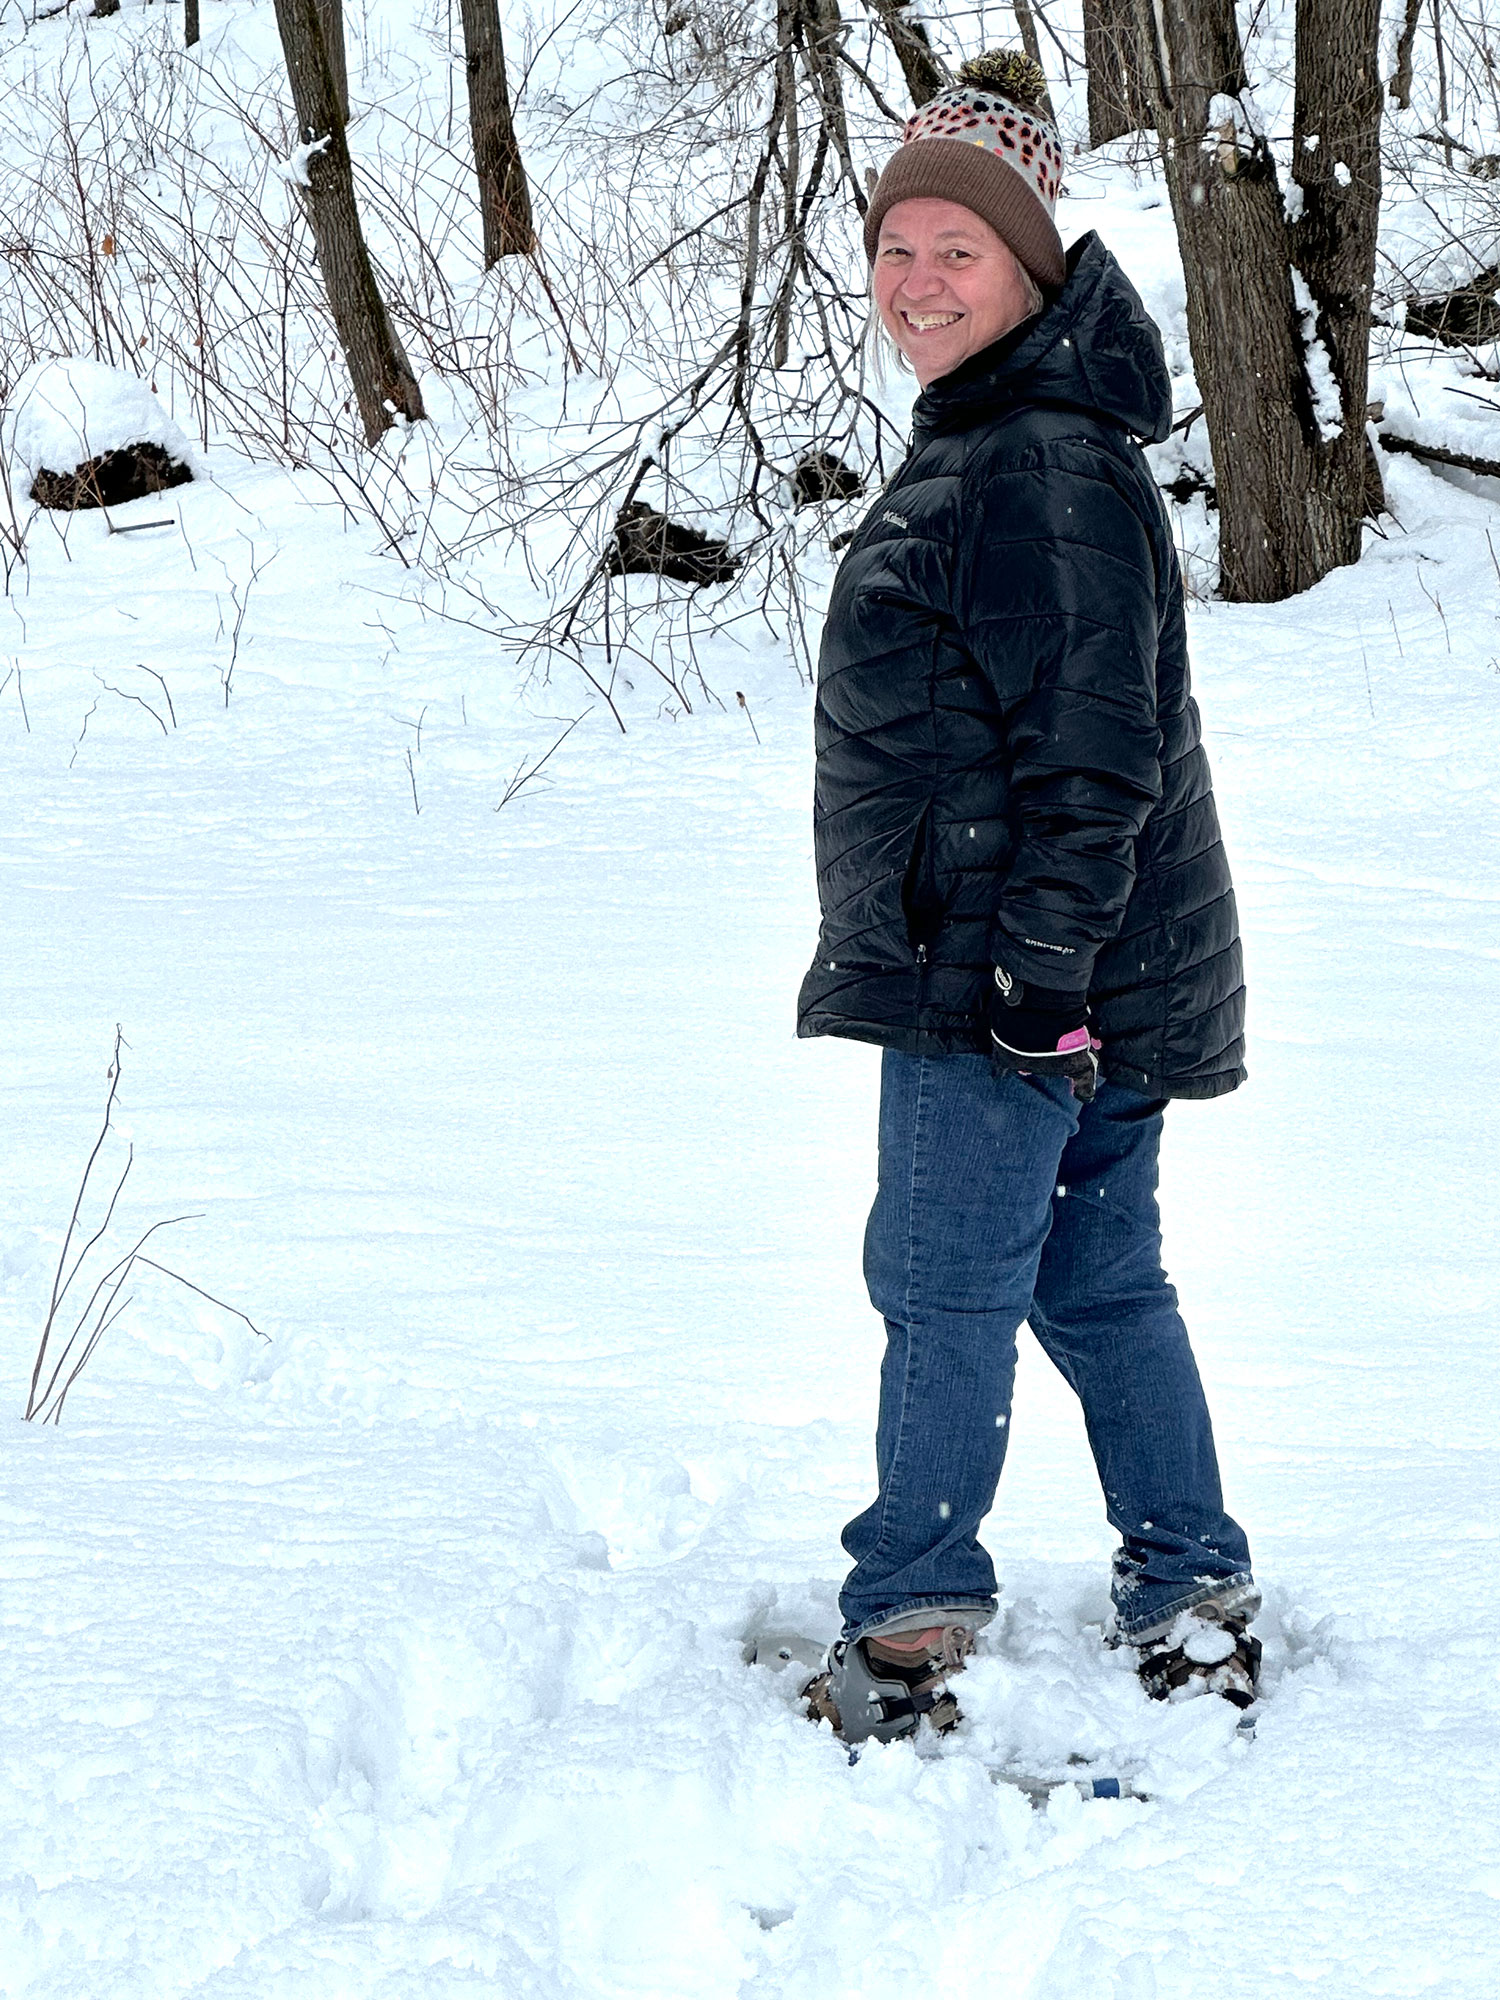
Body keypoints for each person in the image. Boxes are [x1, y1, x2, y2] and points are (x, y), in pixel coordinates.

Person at [796, 51, 1259, 1747]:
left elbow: (1094, 755)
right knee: (1095, 1282)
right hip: (1070, 975)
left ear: (1032, 271)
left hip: (1005, 984)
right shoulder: (1017, 440)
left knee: (946, 1285)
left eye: (958, 252)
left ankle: (911, 1619)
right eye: (896, 247)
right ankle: (1190, 1584)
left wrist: (1031, 978)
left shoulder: (1033, 465)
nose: (918, 283)